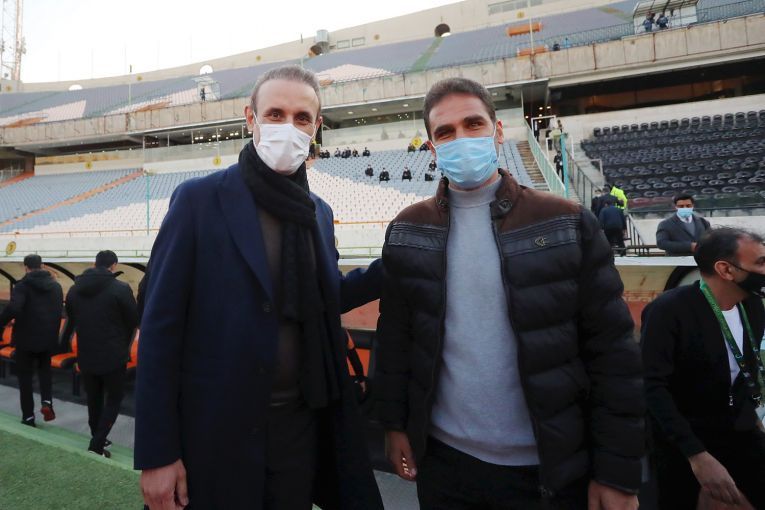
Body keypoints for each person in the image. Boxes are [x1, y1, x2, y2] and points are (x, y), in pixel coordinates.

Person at [375, 77, 644, 510]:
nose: (461, 139)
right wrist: (394, 425)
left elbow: (612, 353)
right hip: (446, 465)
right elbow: (395, 340)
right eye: (445, 132)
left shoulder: (566, 221)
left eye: (473, 124)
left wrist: (616, 472)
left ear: (497, 131)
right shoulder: (409, 229)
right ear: (432, 148)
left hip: (550, 467)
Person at [135, 65, 384, 510]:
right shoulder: (198, 201)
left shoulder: (318, 213)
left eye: (302, 117)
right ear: (251, 119)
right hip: (214, 434)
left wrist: (391, 267)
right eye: (275, 114)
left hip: (298, 431)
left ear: (316, 126)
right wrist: (157, 454)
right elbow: (159, 330)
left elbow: (323, 298)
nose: (289, 127)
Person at [641, 227, 765, 509]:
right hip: (681, 441)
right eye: (760, 262)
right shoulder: (668, 310)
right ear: (725, 269)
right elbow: (652, 387)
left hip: (739, 430)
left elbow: (742, 371)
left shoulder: (752, 306)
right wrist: (696, 455)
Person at [62, 250, 138, 457]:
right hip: (113, 354)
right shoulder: (120, 288)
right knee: (114, 398)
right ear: (114, 266)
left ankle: (97, 437)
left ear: (94, 264)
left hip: (86, 352)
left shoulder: (75, 289)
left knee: (93, 399)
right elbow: (134, 319)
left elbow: (71, 317)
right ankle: (97, 443)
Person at [0, 254, 62, 427]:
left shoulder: (22, 286)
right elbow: (58, 310)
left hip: (25, 338)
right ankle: (47, 402)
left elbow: (14, 307)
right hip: (47, 337)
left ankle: (28, 416)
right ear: (42, 266)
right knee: (45, 371)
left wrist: (2, 322)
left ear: (25, 267)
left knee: (25, 377)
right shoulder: (56, 287)